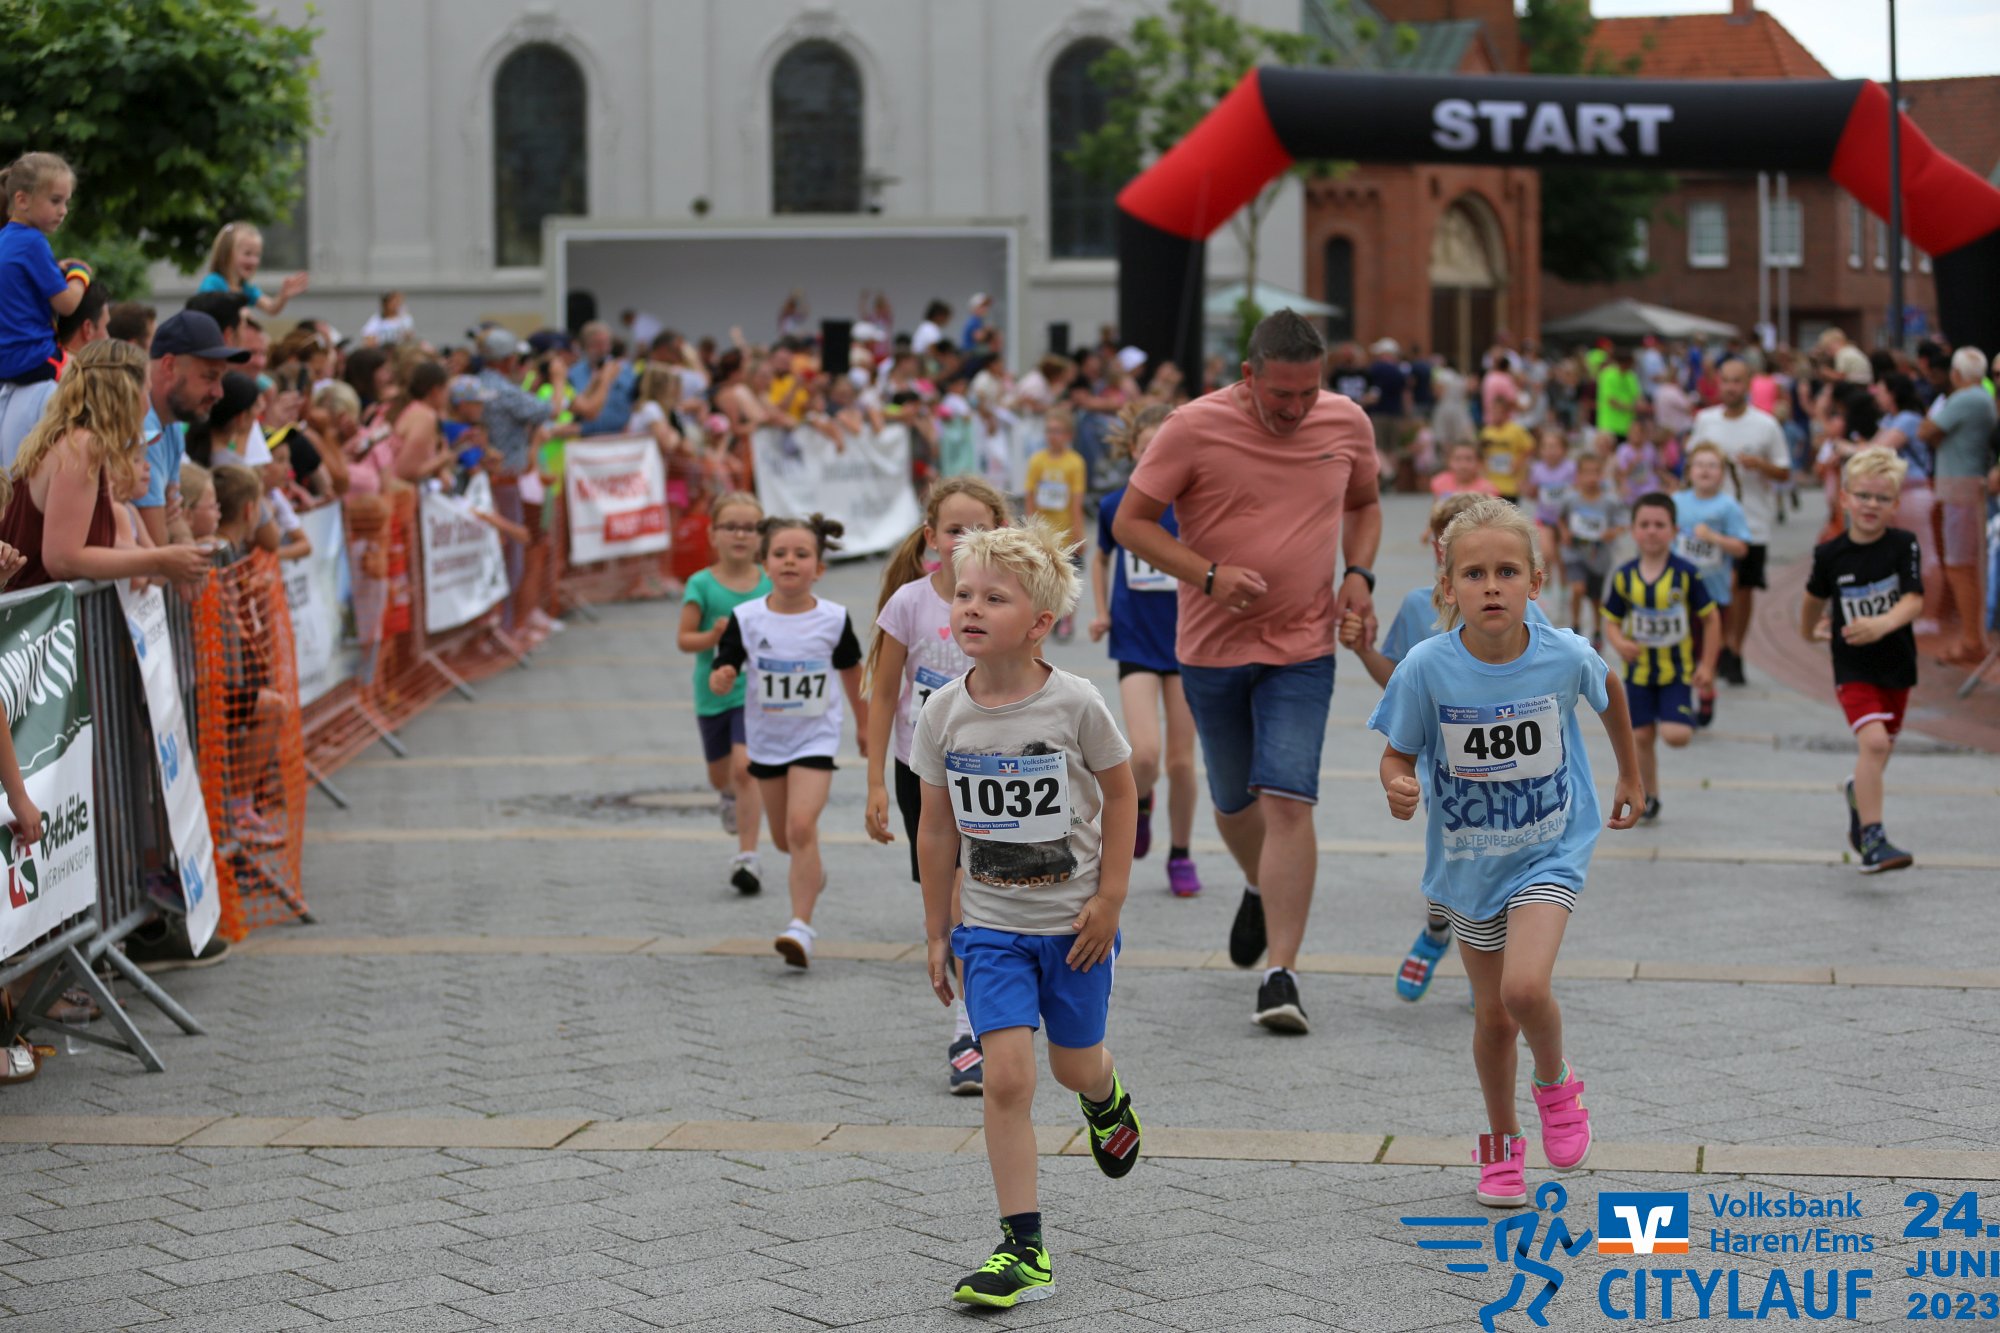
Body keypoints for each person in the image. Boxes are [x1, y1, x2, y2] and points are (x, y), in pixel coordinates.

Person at [1112, 309, 1381, 1035]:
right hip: (1211, 648)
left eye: (1308, 393)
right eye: (1281, 394)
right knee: (1235, 802)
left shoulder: (1346, 422)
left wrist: (1359, 573)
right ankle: (1260, 885)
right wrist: (1208, 574)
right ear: (1248, 375)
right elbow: (1130, 523)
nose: (1296, 410)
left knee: (1288, 799)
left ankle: (1280, 973)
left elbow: (1364, 503)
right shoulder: (1192, 427)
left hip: (1303, 648)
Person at [1369, 498, 1642, 1209]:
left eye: (1507, 571)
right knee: (1492, 1019)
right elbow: (1397, 752)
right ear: (1448, 587)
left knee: (1524, 990)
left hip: (1550, 848)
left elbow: (1609, 687)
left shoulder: (1562, 654)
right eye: (1474, 574)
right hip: (1469, 863)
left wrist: (1631, 775)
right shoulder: (1427, 667)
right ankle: (1501, 1143)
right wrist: (1399, 784)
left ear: (1535, 581)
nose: (1491, 586)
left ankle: (1555, 1082)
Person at [911, 522, 1140, 1310]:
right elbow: (935, 828)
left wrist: (1111, 898)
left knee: (1075, 1067)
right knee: (1006, 1079)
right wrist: (937, 928)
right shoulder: (943, 712)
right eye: (964, 593)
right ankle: (1023, 1246)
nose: (971, 607)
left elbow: (1121, 794)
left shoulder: (1075, 702)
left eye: (994, 598)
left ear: (1040, 622)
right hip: (989, 929)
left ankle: (1105, 1097)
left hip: (1074, 930)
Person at [1340, 493, 1552, 1002]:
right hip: (1445, 769)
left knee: (1512, 862)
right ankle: (1439, 932)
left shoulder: (1524, 607)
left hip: (1516, 777)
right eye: (1445, 539)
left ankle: (1501, 967)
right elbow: (1398, 684)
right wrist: (1363, 649)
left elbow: (1552, 673)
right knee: (1459, 857)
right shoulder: (1419, 606)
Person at [864, 477, 1013, 1093]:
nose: (965, 540)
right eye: (955, 530)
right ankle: (971, 1026)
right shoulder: (909, 603)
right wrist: (874, 782)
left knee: (978, 894)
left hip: (994, 773)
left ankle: (983, 1020)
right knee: (956, 897)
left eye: (980, 529)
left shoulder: (1014, 600)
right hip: (922, 774)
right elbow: (884, 696)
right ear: (931, 537)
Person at [707, 515, 867, 967]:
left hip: (815, 739)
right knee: (784, 839)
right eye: (780, 554)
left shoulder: (833, 619)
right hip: (767, 741)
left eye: (801, 554)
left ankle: (800, 928)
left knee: (800, 827)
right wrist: (722, 677)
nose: (790, 561)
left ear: (819, 567)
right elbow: (725, 662)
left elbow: (852, 673)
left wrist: (864, 726)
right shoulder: (746, 618)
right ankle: (811, 870)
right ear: (765, 564)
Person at [1089, 405, 1201, 899]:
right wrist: (1101, 611)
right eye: (1147, 445)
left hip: (1187, 643)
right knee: (1146, 754)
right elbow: (1100, 558)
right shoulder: (1116, 505)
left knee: (1181, 762)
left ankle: (1181, 853)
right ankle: (1140, 803)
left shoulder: (1195, 506)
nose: (1156, 453)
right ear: (1134, 451)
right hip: (1134, 640)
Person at [0, 339, 211, 590]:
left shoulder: (78, 443)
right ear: (126, 394)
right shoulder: (81, 446)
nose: (148, 406)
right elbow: (62, 559)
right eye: (146, 391)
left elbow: (99, 545)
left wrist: (166, 560)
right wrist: (159, 560)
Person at [1801, 447, 1924, 873]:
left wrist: (1883, 623)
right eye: (1863, 495)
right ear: (1845, 499)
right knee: (1873, 743)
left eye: (1882, 498)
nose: (1871, 505)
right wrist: (1808, 632)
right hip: (1852, 668)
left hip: (1898, 666)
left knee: (1880, 751)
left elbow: (1914, 600)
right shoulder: (1830, 554)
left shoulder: (1903, 545)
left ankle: (1858, 793)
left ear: (1895, 504)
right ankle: (1873, 840)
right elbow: (1812, 600)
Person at [1601, 493, 1719, 824]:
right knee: (1641, 737)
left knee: (1676, 736)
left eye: (1659, 525)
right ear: (1633, 530)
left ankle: (1692, 708)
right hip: (1638, 673)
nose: (1652, 531)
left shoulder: (1686, 574)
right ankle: (1650, 795)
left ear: (1674, 530)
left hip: (1677, 672)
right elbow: (1611, 620)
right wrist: (1619, 642)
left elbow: (1711, 619)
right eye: (1644, 524)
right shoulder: (1624, 576)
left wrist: (1707, 665)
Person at [679, 492, 772, 896]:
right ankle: (728, 797)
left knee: (745, 767)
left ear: (762, 536)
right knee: (722, 774)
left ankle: (747, 856)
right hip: (713, 693)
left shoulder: (770, 582)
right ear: (712, 534)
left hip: (756, 695)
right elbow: (684, 639)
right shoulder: (701, 584)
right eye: (730, 527)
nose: (740, 535)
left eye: (750, 528)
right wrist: (711, 636)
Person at [1687, 359, 1790, 686]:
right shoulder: (1706, 420)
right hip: (1708, 522)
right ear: (1718, 383)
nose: (1731, 387)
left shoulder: (1766, 425)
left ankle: (1735, 649)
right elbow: (1691, 462)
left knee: (1743, 590)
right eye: (1726, 381)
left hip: (1751, 520)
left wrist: (1760, 464)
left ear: (1748, 385)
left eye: (1737, 381)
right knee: (1709, 586)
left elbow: (1784, 471)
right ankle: (1711, 649)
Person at [137, 310, 250, 547]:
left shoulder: (171, 424)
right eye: (209, 377)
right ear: (169, 366)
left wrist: (184, 544)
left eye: (220, 379)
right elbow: (158, 546)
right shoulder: (142, 424)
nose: (219, 392)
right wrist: (182, 549)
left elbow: (174, 519)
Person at [1916, 346, 1996, 667]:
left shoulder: (1967, 398)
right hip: (1961, 488)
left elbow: (1926, 431)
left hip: (1961, 490)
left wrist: (1935, 428)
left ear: (1957, 374)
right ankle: (1972, 638)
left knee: (1961, 567)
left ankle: (1972, 641)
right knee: (1962, 566)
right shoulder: (1980, 399)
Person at [1671, 444, 1751, 727]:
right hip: (1677, 593)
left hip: (1714, 592)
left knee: (1708, 648)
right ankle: (1681, 700)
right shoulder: (1677, 501)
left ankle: (1706, 691)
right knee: (1681, 648)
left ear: (1722, 474)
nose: (1705, 470)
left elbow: (1742, 548)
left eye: (1712, 465)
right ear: (1689, 471)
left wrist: (1714, 538)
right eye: (1699, 464)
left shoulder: (1728, 506)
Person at [0, 271, 107, 470]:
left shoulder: (14, 381)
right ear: (87, 329)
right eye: (105, 327)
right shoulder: (63, 394)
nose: (108, 338)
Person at [0, 152, 88, 388]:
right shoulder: (33, 242)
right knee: (98, 381)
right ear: (22, 200)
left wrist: (54, 269)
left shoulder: (5, 238)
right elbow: (66, 304)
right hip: (34, 358)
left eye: (66, 202)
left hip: (6, 363)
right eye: (55, 201)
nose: (63, 210)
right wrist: (80, 274)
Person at [1025, 406, 1087, 641]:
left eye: (1058, 431)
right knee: (1042, 576)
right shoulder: (1037, 460)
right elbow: (1030, 495)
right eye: (1049, 431)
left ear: (1069, 435)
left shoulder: (1075, 462)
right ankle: (1042, 617)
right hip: (1043, 530)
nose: (1053, 436)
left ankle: (1067, 618)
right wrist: (1030, 527)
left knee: (1068, 577)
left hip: (1065, 529)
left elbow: (1077, 500)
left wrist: (1078, 532)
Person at [1556, 453, 1627, 642]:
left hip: (1598, 557)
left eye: (1596, 472)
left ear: (1602, 475)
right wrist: (1564, 532)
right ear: (1578, 476)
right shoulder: (1571, 499)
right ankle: (1575, 625)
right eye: (1586, 473)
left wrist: (1612, 533)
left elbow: (1622, 524)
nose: (1591, 477)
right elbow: (1561, 519)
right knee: (1577, 589)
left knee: (1596, 597)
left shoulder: (1610, 502)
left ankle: (1597, 629)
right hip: (1575, 553)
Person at [198, 221, 308, 317]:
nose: (254, 261)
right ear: (227, 254)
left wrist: (283, 296)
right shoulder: (214, 281)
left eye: (257, 255)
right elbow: (205, 308)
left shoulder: (246, 289)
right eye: (247, 254)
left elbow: (271, 308)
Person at [1522, 429, 1575, 579]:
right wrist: (1527, 488)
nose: (1550, 451)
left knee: (1563, 559)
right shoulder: (1537, 469)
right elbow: (1532, 494)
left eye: (1554, 446)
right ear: (1540, 450)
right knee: (1546, 554)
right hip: (1544, 518)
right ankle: (1548, 584)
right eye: (1546, 447)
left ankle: (1564, 587)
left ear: (1564, 449)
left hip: (1566, 520)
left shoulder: (1571, 468)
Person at [1478, 395, 1535, 503]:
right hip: (1492, 484)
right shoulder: (1487, 431)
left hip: (1511, 484)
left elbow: (1529, 447)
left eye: (1498, 411)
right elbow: (1481, 452)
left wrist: (1518, 463)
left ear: (1506, 413)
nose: (1494, 414)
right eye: (1492, 411)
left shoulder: (1516, 429)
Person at [1595, 347, 1642, 443]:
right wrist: (1632, 408)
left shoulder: (1631, 376)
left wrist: (1640, 405)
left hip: (1627, 426)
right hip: (1609, 425)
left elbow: (1638, 396)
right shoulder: (1607, 375)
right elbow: (1611, 401)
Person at [1431, 441, 1500, 499]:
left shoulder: (1488, 491)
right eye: (1457, 459)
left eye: (1469, 459)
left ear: (1479, 463)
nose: (1463, 465)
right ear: (1449, 461)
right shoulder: (1439, 482)